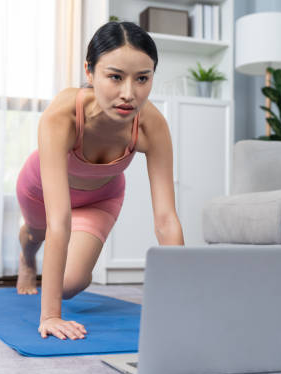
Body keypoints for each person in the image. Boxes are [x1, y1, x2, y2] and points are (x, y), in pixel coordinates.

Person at [15, 21, 184, 341]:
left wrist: (181, 300)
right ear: (90, 72)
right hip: (42, 191)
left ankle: (56, 267)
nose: (129, 94)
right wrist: (50, 316)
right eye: (115, 77)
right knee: (38, 232)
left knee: (69, 285)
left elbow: (165, 218)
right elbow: (59, 220)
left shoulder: (152, 125)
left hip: (101, 197)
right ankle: (26, 255)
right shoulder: (63, 114)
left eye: (143, 79)